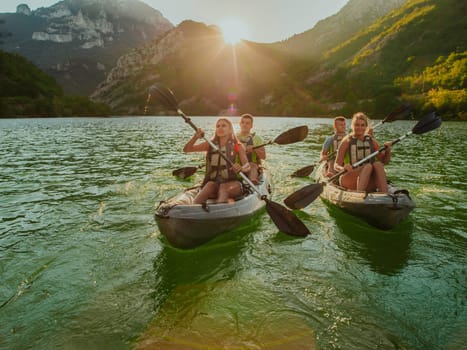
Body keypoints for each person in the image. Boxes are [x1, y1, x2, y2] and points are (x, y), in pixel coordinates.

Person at [183, 117, 250, 204]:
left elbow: (247, 166)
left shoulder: (238, 146)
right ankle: (193, 208)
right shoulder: (210, 144)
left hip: (234, 184)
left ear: (230, 130)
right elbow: (187, 149)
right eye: (218, 126)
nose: (220, 128)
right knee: (209, 185)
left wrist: (241, 168)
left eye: (224, 126)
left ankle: (219, 210)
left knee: (223, 187)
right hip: (215, 183)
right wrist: (195, 137)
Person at [334, 112, 392, 193]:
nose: (359, 128)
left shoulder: (372, 141)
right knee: (368, 166)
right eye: (357, 125)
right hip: (350, 178)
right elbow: (336, 165)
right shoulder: (346, 141)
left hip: (369, 180)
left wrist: (388, 150)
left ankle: (385, 193)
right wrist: (343, 168)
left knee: (378, 164)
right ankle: (359, 194)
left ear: (366, 127)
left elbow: (385, 161)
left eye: (362, 125)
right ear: (352, 126)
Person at [236, 113, 266, 184]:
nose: (244, 124)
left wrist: (254, 149)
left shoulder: (257, 139)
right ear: (240, 124)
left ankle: (252, 181)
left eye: (247, 123)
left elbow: (263, 157)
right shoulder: (234, 138)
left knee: (252, 165)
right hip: (237, 166)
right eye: (242, 122)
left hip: (253, 166)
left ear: (251, 126)